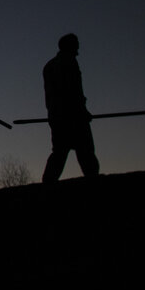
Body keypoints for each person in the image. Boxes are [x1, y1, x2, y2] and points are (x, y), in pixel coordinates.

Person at [41, 33, 100, 183]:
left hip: (56, 116)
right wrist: (82, 111)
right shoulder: (68, 62)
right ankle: (94, 181)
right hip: (73, 116)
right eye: (76, 43)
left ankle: (48, 183)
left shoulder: (49, 65)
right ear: (70, 45)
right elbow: (72, 90)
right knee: (85, 151)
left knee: (59, 152)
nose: (78, 46)